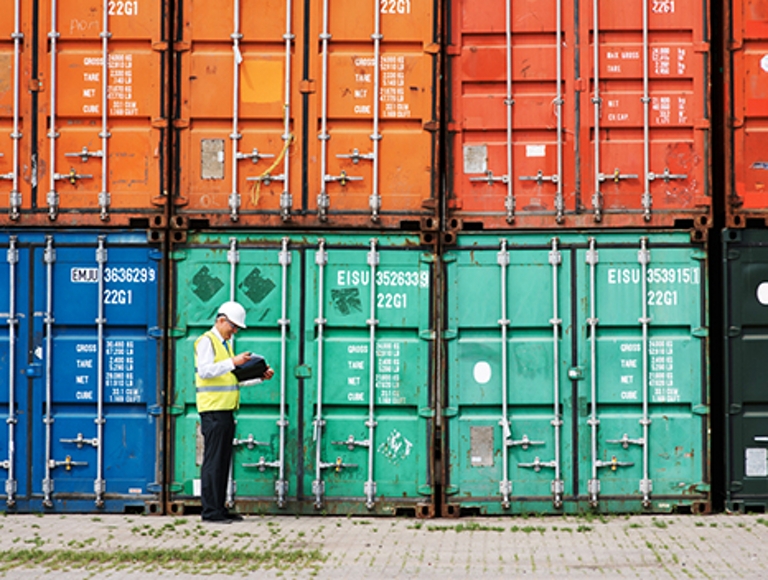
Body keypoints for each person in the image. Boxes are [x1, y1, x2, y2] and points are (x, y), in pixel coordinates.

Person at [194, 300, 274, 523]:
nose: (235, 331)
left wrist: (259, 377)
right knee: (213, 463)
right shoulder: (206, 342)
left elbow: (232, 380)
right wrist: (233, 361)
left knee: (222, 463)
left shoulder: (224, 345)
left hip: (225, 410)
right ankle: (210, 512)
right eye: (233, 326)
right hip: (213, 411)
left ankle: (219, 509)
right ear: (221, 321)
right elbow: (205, 371)